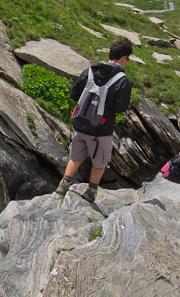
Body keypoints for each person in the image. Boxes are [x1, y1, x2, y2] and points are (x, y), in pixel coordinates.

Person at [56, 38, 133, 202]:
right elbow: (120, 107)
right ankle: (91, 192)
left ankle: (62, 186)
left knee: (75, 157)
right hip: (100, 129)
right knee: (100, 161)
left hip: (80, 124)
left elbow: (73, 93)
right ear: (124, 58)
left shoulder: (90, 71)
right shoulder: (122, 80)